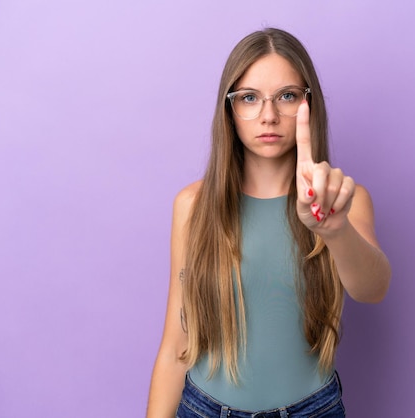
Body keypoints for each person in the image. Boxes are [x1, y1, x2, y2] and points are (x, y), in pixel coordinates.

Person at [146, 27, 391, 418]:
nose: (269, 115)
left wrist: (334, 230)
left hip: (313, 410)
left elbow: (373, 288)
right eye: (249, 98)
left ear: (309, 103)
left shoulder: (346, 201)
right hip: (204, 409)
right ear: (229, 109)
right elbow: (178, 343)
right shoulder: (193, 206)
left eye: (287, 96)